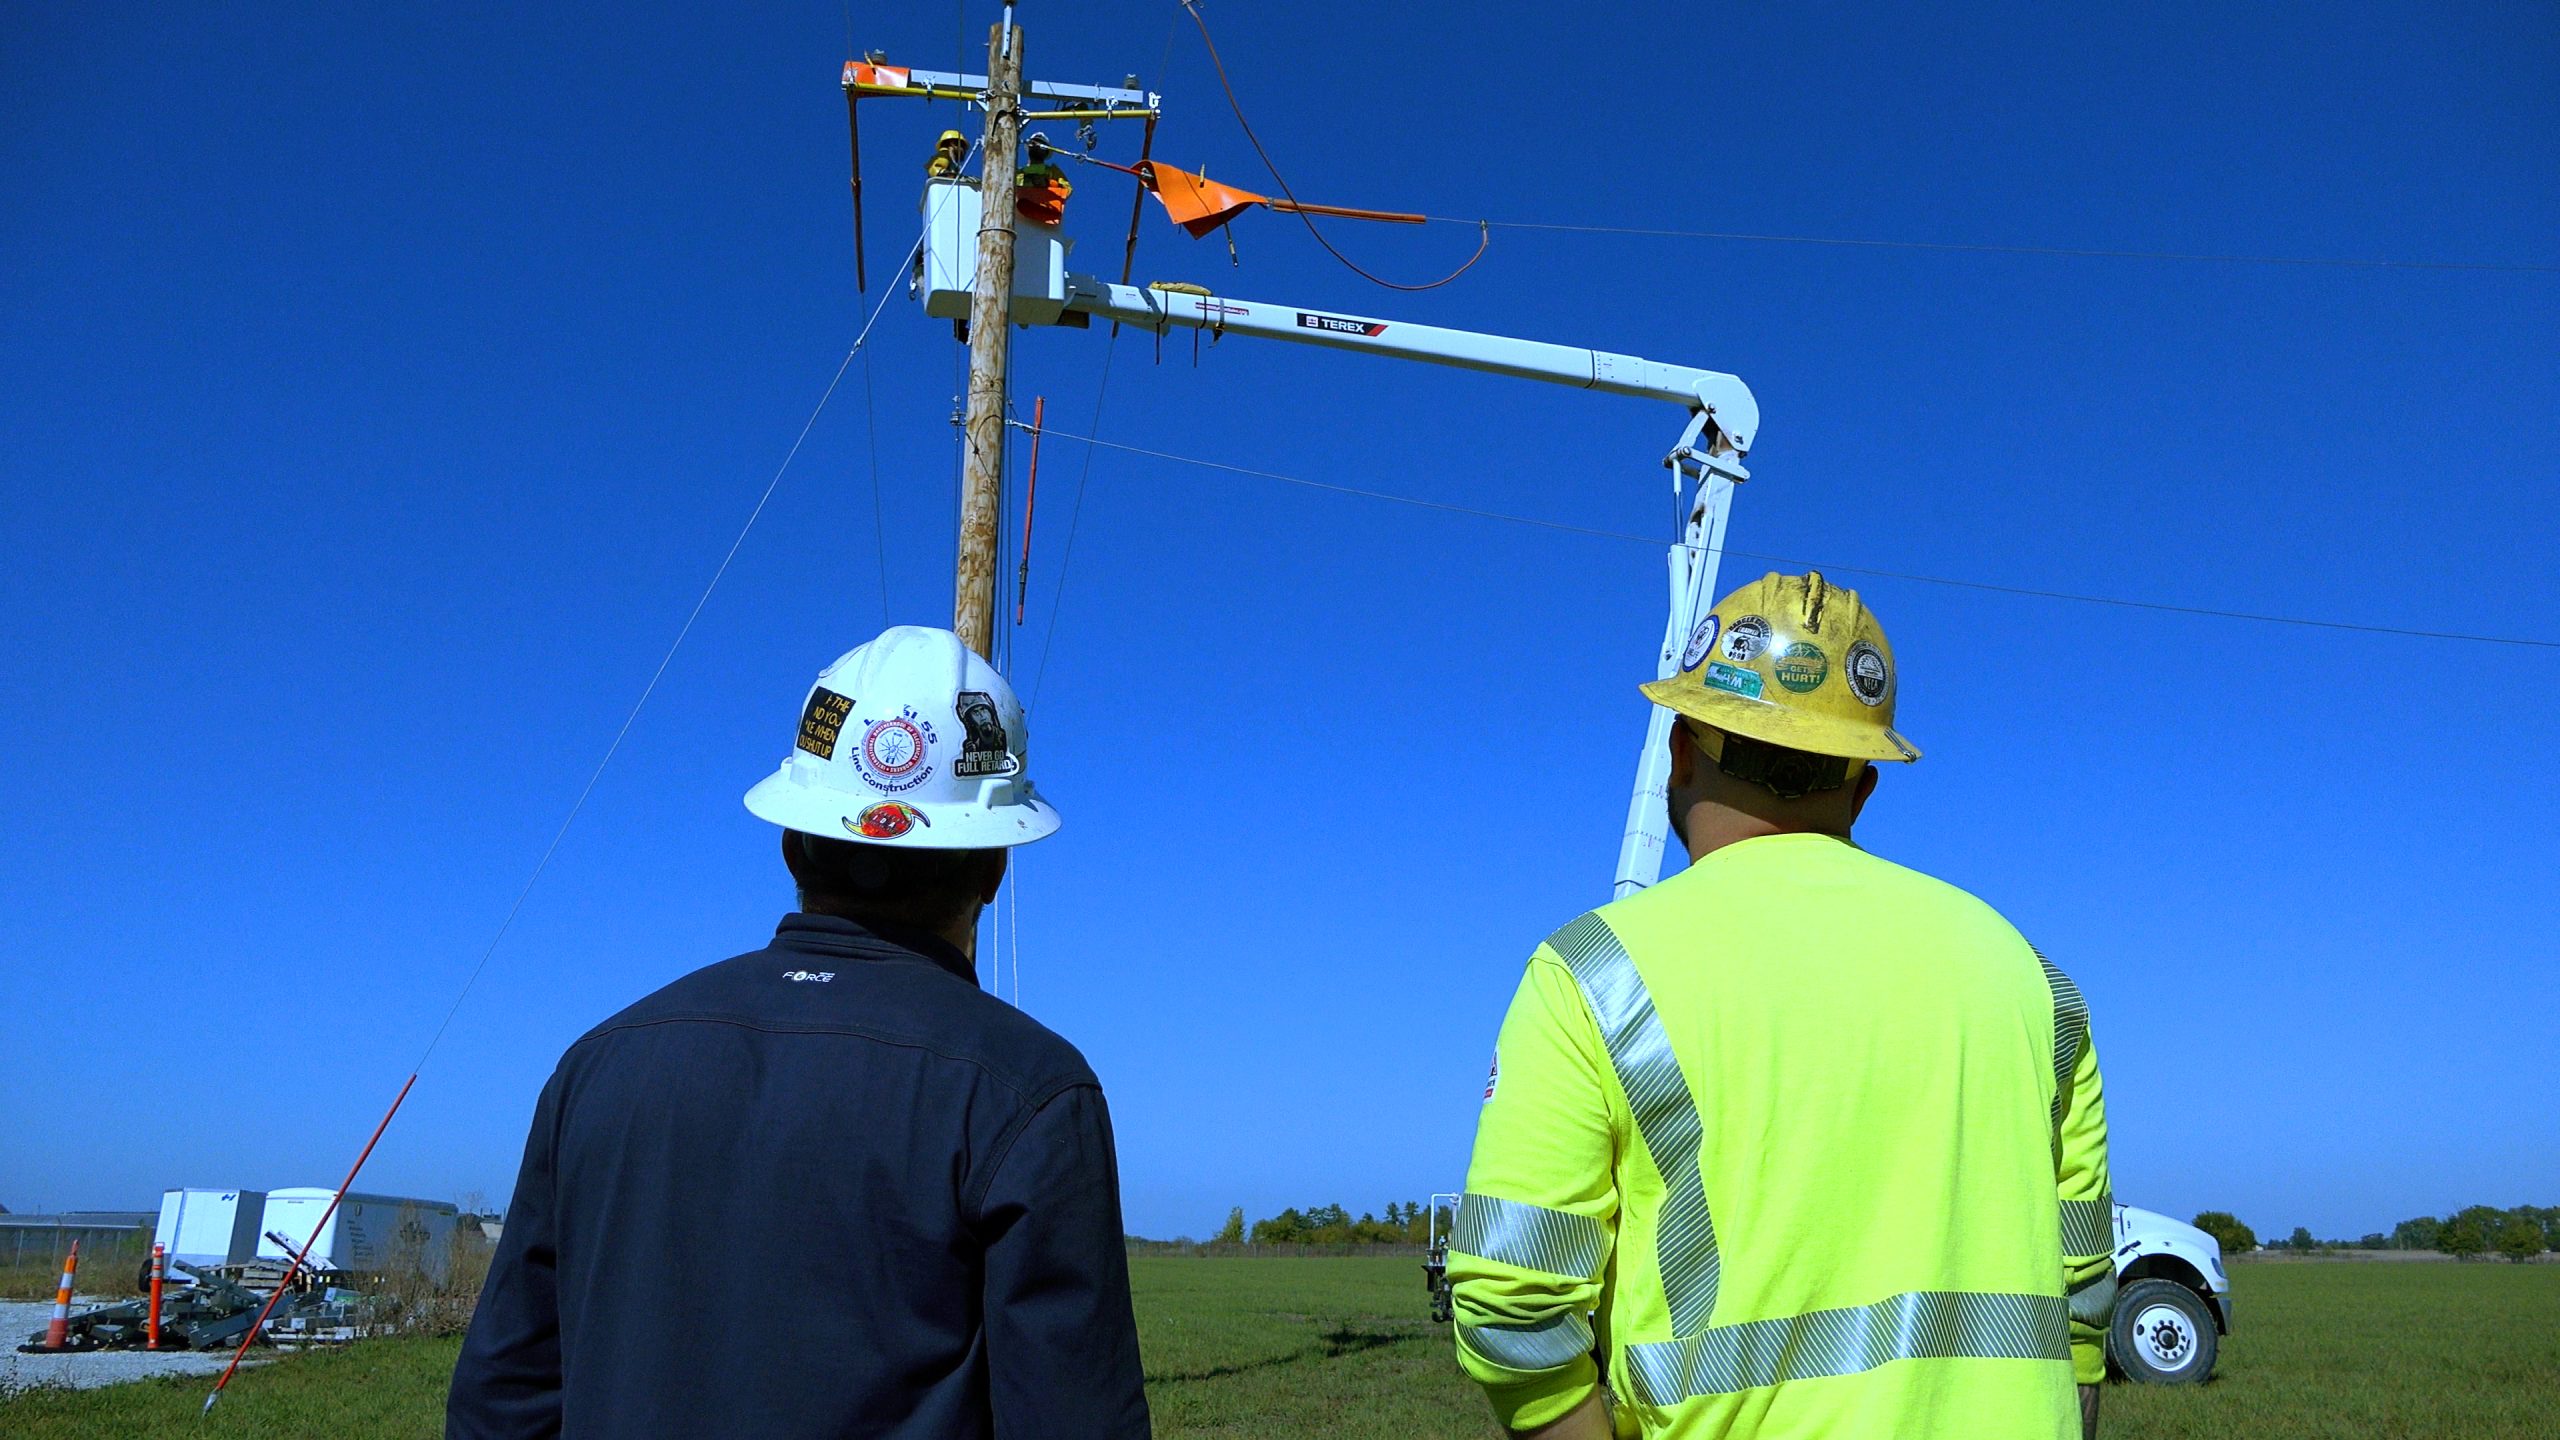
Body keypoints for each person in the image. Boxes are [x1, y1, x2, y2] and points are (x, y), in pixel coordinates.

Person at [1449, 573, 2113, 1440]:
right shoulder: (2032, 977)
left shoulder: (1591, 976)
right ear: (1863, 785)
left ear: (1682, 752)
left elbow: (1513, 1313)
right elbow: (2083, 1298)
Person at [449, 626, 1149, 1439]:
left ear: (792, 842)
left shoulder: (597, 1067)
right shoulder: (1027, 1094)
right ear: (995, 864)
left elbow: (500, 1406)